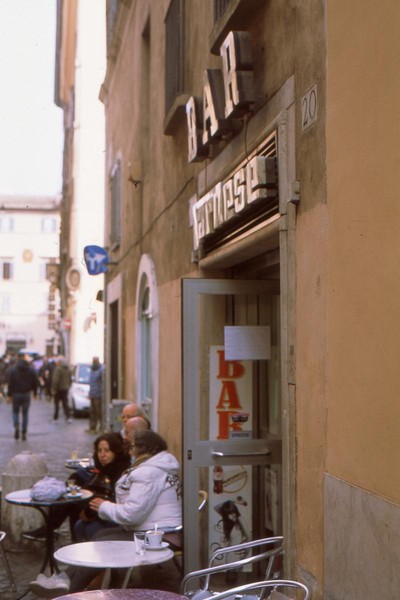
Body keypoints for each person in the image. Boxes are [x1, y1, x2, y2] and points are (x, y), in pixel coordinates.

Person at [30, 430, 182, 597]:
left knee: (104, 544)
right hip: (154, 530)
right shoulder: (155, 469)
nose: (130, 452)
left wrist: (103, 506)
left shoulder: (149, 473)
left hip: (161, 536)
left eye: (132, 447)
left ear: (144, 449)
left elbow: (132, 515)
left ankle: (69, 589)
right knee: (101, 535)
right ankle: (63, 579)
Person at [23, 432, 131, 542]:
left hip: (114, 514)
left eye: (107, 451)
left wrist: (89, 513)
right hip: (99, 509)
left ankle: (50, 529)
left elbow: (112, 500)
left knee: (79, 512)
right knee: (73, 492)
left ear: (115, 452)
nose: (102, 455)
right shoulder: (104, 468)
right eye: (99, 451)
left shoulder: (120, 472)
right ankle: (58, 534)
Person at [7, 351, 39, 441]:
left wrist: (9, 395)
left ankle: (16, 425)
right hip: (26, 394)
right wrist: (35, 393)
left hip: (16, 394)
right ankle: (24, 432)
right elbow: (35, 382)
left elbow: (10, 383)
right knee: (25, 414)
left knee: (15, 412)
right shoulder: (31, 370)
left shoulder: (13, 370)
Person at [51, 357, 72, 423]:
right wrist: (68, 386)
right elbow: (70, 380)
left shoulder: (58, 369)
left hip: (58, 389)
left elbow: (55, 380)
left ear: (60, 362)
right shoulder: (68, 369)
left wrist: (53, 389)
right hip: (65, 389)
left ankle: (55, 418)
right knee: (65, 403)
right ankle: (68, 417)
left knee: (57, 404)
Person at [86, 357, 104, 434]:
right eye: (93, 361)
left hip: (98, 394)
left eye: (95, 361)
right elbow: (91, 383)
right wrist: (90, 393)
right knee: (92, 412)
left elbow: (103, 383)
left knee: (99, 412)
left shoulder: (101, 370)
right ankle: (92, 427)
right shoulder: (92, 370)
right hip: (92, 394)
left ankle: (101, 427)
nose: (94, 362)